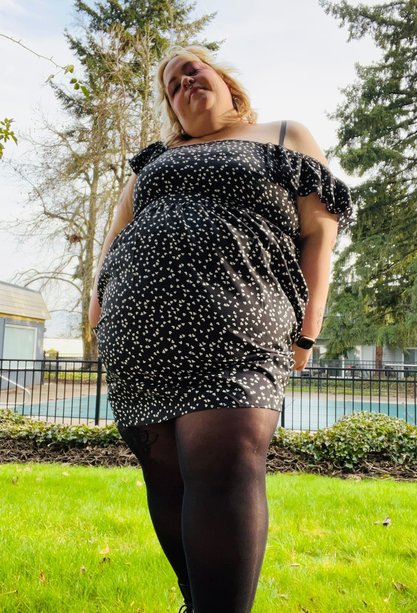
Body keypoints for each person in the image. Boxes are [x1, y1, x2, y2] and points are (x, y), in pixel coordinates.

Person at [88, 45, 352, 613]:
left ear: (226, 81)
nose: (184, 83)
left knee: (225, 462)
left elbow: (319, 237)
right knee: (166, 479)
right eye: (172, 86)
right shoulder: (156, 159)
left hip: (240, 319)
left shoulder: (284, 135)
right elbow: (114, 240)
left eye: (193, 70)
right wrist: (98, 311)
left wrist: (307, 331)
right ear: (172, 110)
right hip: (138, 333)